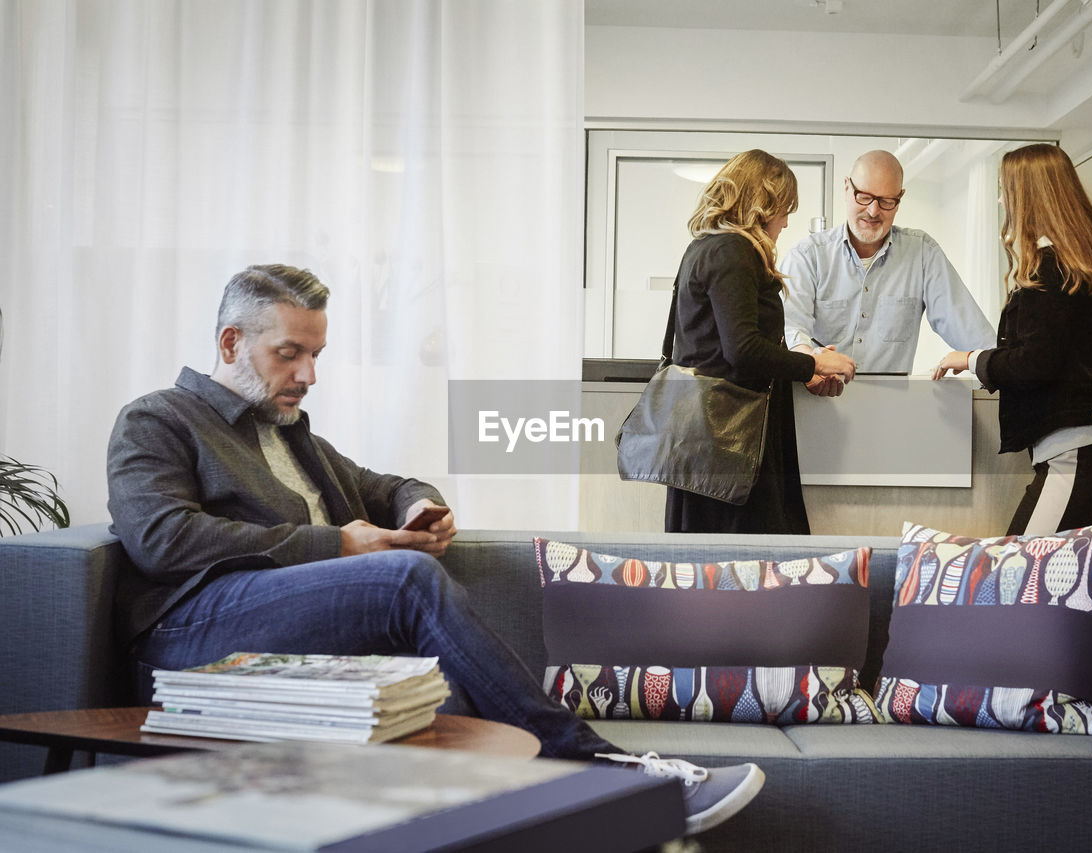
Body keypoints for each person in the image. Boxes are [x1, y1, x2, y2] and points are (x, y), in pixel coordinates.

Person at [106, 264, 764, 835]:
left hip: (282, 636)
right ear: (230, 342)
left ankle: (549, 823)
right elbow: (162, 539)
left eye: (316, 354)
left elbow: (384, 485)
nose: (308, 373)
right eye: (289, 353)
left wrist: (417, 505)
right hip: (189, 635)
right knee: (405, 582)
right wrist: (336, 542)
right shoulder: (160, 419)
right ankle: (598, 769)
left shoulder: (290, 434)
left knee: (438, 697)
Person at [931, 143, 1092, 536]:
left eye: (1005, 189)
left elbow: (1033, 362)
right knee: (1063, 581)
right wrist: (1089, 374)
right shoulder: (1089, 265)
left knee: (1017, 571)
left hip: (1074, 456)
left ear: (1029, 196)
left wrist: (969, 358)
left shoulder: (1052, 268)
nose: (1001, 199)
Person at [663, 150, 856, 534]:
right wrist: (814, 363)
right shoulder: (733, 251)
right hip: (732, 440)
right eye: (784, 209)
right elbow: (743, 351)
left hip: (711, 437)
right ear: (762, 204)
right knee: (747, 566)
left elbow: (727, 346)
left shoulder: (705, 247)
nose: (786, 222)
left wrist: (803, 365)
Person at [781, 149, 995, 395]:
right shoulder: (808, 256)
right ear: (847, 188)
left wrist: (980, 361)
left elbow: (976, 337)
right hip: (815, 408)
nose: (873, 211)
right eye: (864, 196)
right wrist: (810, 364)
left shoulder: (922, 254)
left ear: (900, 198)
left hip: (890, 413)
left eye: (886, 201)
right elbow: (791, 331)